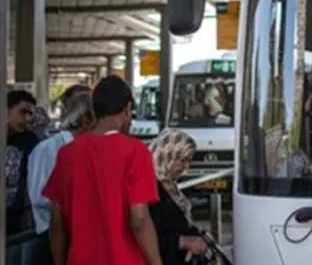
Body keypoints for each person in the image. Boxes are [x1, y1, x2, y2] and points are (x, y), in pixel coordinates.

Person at [43, 76, 163, 265]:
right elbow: (139, 219)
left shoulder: (68, 153)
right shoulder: (136, 152)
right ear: (127, 109)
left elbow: (56, 222)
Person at [26, 86, 92, 265]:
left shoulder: (88, 150)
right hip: (49, 238)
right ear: (86, 120)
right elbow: (39, 196)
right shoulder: (47, 150)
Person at [148, 129, 212, 264]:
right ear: (168, 156)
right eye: (183, 161)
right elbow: (144, 235)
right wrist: (182, 242)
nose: (186, 168)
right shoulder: (149, 187)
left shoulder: (168, 186)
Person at [6, 90, 41, 236]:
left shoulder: (28, 140)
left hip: (14, 218)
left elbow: (29, 177)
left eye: (30, 114)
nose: (27, 119)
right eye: (23, 112)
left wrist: (28, 210)